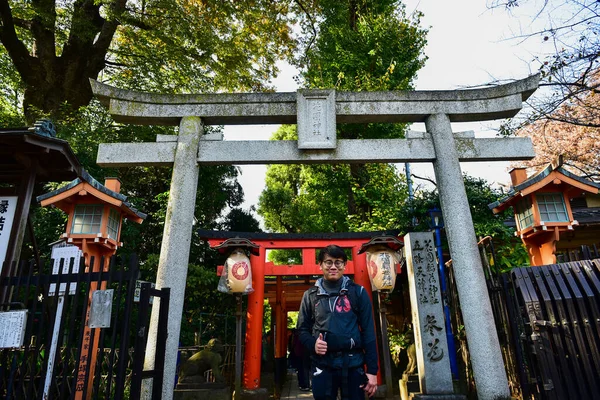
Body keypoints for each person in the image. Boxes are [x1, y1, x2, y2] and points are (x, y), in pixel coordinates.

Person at [297, 245, 379, 400]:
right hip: (322, 365)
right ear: (320, 265)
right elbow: (302, 330)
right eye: (328, 262)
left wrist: (372, 371)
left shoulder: (358, 292)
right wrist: (313, 344)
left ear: (344, 265)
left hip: (353, 364)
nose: (333, 266)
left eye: (338, 262)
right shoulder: (310, 295)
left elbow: (368, 332)